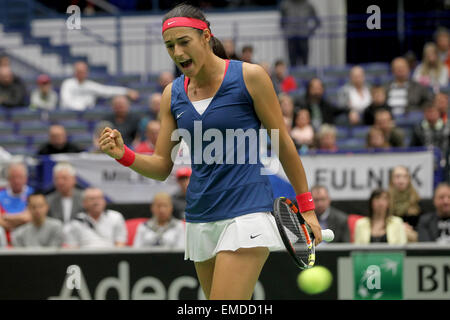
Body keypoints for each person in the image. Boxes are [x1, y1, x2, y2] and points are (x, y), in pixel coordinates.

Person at [98, 4, 321, 300]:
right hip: (200, 216)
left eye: (183, 42)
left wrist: (307, 208)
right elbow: (162, 165)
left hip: (247, 213)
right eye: (169, 46)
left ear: (206, 37)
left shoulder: (250, 77)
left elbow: (283, 145)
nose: (177, 53)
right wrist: (122, 154)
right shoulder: (172, 94)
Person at [60, 61, 139, 111]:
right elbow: (66, 101)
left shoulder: (90, 85)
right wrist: (80, 108)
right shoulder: (67, 84)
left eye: (83, 71)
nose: (81, 73)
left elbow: (107, 91)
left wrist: (126, 91)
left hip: (87, 115)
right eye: (79, 71)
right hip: (70, 114)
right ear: (75, 72)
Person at [63, 187, 127, 248]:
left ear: (104, 201)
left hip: (111, 256)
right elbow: (72, 248)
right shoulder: (76, 222)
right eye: (92, 199)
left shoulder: (116, 217)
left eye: (99, 198)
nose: (96, 202)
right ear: (84, 203)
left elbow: (120, 244)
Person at [279, 0, 320, 67]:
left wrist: (310, 31)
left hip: (303, 38)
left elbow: (317, 22)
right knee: (292, 63)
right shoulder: (285, 5)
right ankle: (293, 77)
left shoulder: (308, 5)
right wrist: (286, 31)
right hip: (291, 38)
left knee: (305, 63)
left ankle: (305, 77)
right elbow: (282, 21)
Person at [388, 165, 421, 242]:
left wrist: (410, 228)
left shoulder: (417, 200)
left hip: (412, 236)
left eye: (405, 177)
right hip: (391, 234)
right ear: (391, 180)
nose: (401, 180)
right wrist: (399, 226)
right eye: (397, 177)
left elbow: (423, 225)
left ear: (409, 180)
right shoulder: (386, 201)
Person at [0, 163, 34, 232]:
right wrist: (21, 218)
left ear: (26, 178)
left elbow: (28, 218)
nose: (17, 181)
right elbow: (1, 222)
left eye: (20, 177)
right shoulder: (1, 195)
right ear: (8, 179)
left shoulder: (33, 194)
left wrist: (6, 216)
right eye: (13, 177)